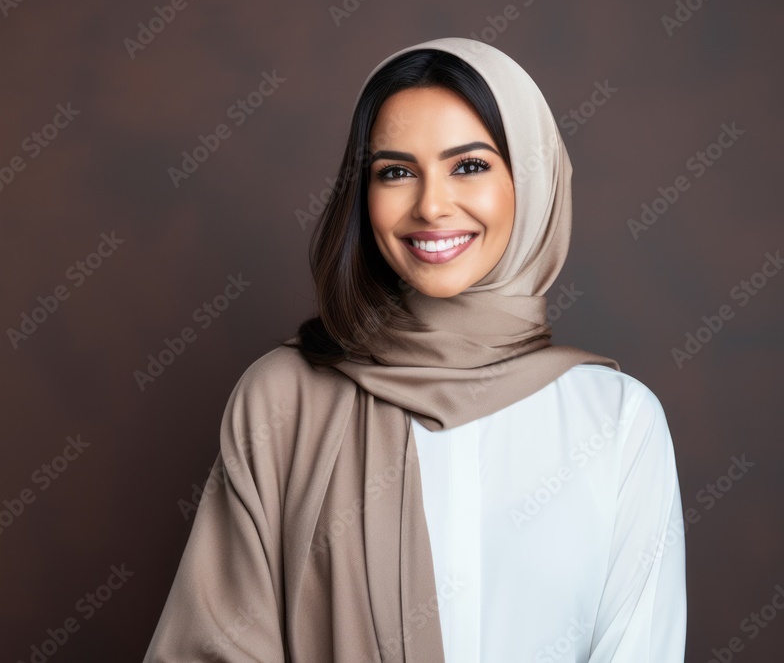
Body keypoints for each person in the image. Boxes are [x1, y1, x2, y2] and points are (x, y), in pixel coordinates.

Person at [144, 37, 687, 662]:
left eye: (469, 165)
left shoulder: (618, 421)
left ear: (533, 180)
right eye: (396, 172)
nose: (430, 205)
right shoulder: (284, 400)